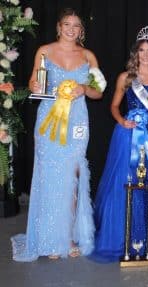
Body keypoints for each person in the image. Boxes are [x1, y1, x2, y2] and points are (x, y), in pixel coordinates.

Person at [11, 8, 105, 261]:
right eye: (67, 24)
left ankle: (69, 237)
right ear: (59, 26)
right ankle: (49, 238)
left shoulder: (88, 56)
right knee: (50, 174)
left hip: (77, 122)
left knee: (73, 175)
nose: (71, 29)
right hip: (49, 122)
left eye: (76, 25)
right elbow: (34, 83)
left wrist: (84, 88)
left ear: (81, 30)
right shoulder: (44, 51)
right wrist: (35, 85)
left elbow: (99, 92)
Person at [91, 26, 148, 265]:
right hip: (129, 138)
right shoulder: (126, 78)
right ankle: (130, 241)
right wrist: (122, 121)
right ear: (135, 53)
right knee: (130, 185)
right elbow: (113, 107)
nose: (145, 54)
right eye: (141, 50)